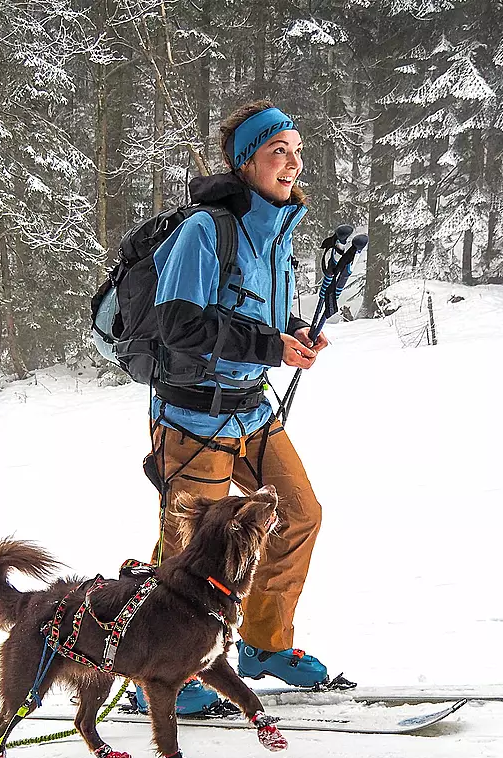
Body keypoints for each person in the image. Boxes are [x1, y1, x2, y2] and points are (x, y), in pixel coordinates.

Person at [135, 100, 330, 716]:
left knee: (298, 513)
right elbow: (179, 324)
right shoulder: (204, 230)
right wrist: (272, 346)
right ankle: (163, 674)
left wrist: (292, 331)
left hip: (251, 411)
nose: (293, 164)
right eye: (279, 152)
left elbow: (250, 312)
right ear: (247, 161)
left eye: (298, 151)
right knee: (187, 552)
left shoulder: (276, 230)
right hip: (192, 419)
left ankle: (264, 646)